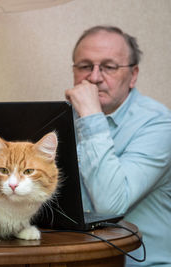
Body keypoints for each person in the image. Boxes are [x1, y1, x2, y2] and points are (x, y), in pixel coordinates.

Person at [65, 25, 171, 267]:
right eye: (84, 66)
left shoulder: (159, 125)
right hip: (74, 259)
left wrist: (91, 117)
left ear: (133, 75)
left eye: (109, 67)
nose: (94, 77)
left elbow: (110, 206)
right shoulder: (61, 120)